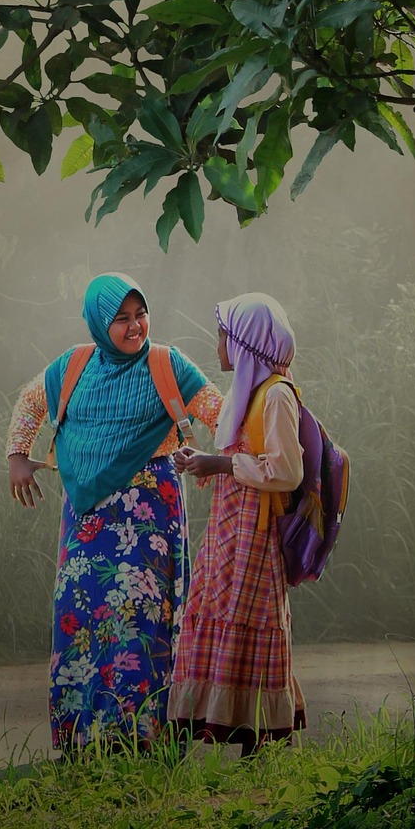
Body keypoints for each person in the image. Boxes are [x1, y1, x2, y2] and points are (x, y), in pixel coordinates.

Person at [6, 273, 222, 754]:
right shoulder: (73, 366)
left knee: (142, 621)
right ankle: (81, 743)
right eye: (121, 319)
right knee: (79, 620)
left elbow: (218, 412)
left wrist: (231, 455)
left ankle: (144, 742)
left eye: (140, 314)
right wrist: (18, 455)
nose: (134, 326)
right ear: (99, 325)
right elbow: (31, 399)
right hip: (85, 521)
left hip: (149, 519)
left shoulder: (168, 365)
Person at [168, 293, 306, 758]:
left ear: (246, 343)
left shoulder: (277, 396)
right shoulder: (247, 394)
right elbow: (237, 457)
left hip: (257, 534)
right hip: (230, 529)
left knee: (251, 619)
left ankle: (258, 738)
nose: (218, 345)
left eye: (225, 336)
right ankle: (196, 728)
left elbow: (287, 471)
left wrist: (221, 465)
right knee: (211, 610)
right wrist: (206, 463)